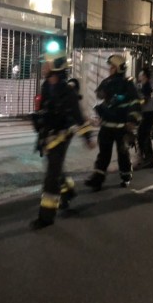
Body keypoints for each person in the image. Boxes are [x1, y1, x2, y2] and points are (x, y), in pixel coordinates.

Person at [30, 51, 95, 229]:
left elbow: (79, 117)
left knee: (51, 175)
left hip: (62, 136)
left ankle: (46, 216)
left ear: (56, 67)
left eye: (47, 64)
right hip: (48, 134)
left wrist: (88, 137)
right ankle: (68, 192)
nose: (44, 67)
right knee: (56, 168)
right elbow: (44, 109)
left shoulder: (68, 92)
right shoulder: (45, 86)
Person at [84, 54, 141, 191]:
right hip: (107, 126)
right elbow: (99, 97)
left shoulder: (128, 84)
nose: (110, 69)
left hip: (122, 127)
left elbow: (135, 104)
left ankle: (126, 176)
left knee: (123, 154)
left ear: (118, 68)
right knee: (103, 155)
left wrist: (132, 121)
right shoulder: (107, 82)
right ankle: (97, 180)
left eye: (112, 67)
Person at [136, 67, 153, 169]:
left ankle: (148, 159)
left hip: (148, 113)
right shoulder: (147, 85)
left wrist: (136, 104)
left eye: (140, 74)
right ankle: (146, 158)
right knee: (142, 135)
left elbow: (145, 100)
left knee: (143, 135)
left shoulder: (147, 85)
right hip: (148, 113)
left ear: (144, 76)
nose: (139, 76)